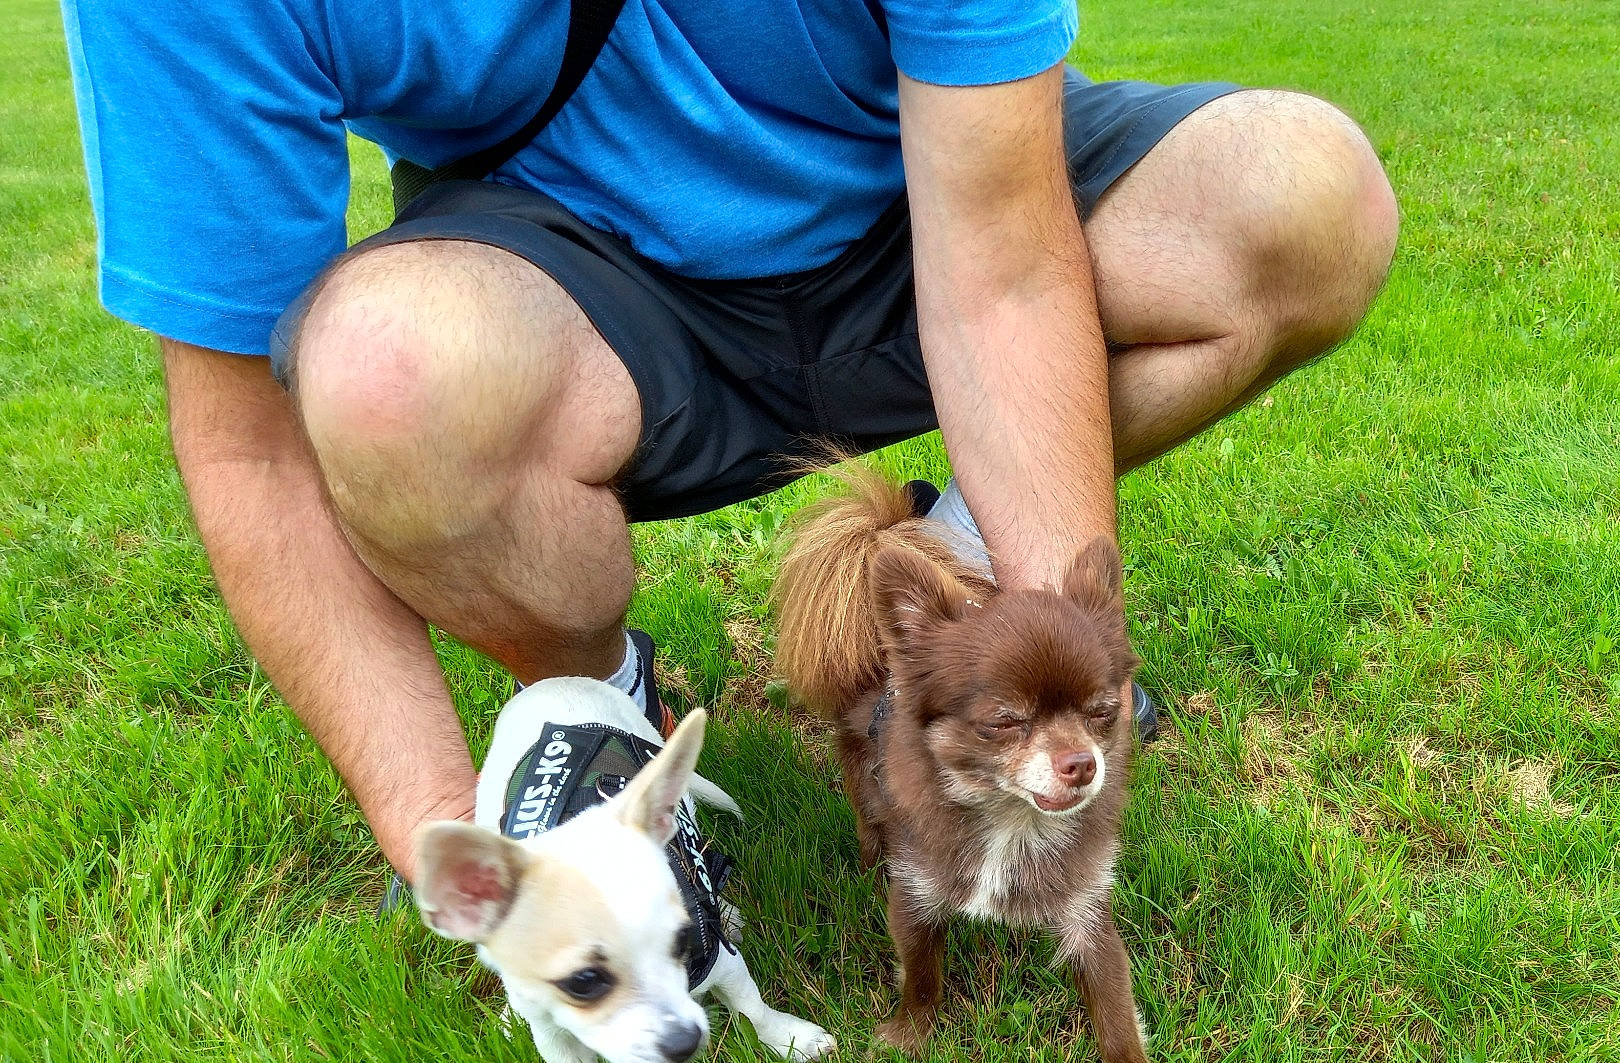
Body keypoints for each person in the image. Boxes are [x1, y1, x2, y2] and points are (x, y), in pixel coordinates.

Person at [59, 0, 1397, 886]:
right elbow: (253, 452)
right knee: (385, 373)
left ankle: (938, 596)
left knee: (1298, 193)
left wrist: (1037, 670)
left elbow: (1004, 264)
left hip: (917, 212)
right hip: (579, 293)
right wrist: (455, 856)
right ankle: (597, 720)